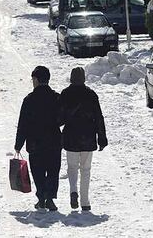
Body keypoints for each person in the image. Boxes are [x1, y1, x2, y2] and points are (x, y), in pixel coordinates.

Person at [60, 67, 107, 211]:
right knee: (86, 170)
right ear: (84, 78)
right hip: (88, 137)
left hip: (71, 137)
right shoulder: (91, 94)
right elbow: (99, 117)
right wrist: (102, 138)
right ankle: (85, 202)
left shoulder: (65, 94)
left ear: (71, 78)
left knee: (72, 168)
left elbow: (60, 118)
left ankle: (73, 190)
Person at [14, 66, 62, 211]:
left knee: (38, 171)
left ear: (36, 79)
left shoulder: (29, 100)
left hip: (35, 143)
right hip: (54, 141)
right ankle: (50, 199)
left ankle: (41, 198)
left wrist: (18, 144)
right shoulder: (56, 97)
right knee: (53, 170)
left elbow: (23, 124)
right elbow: (62, 118)